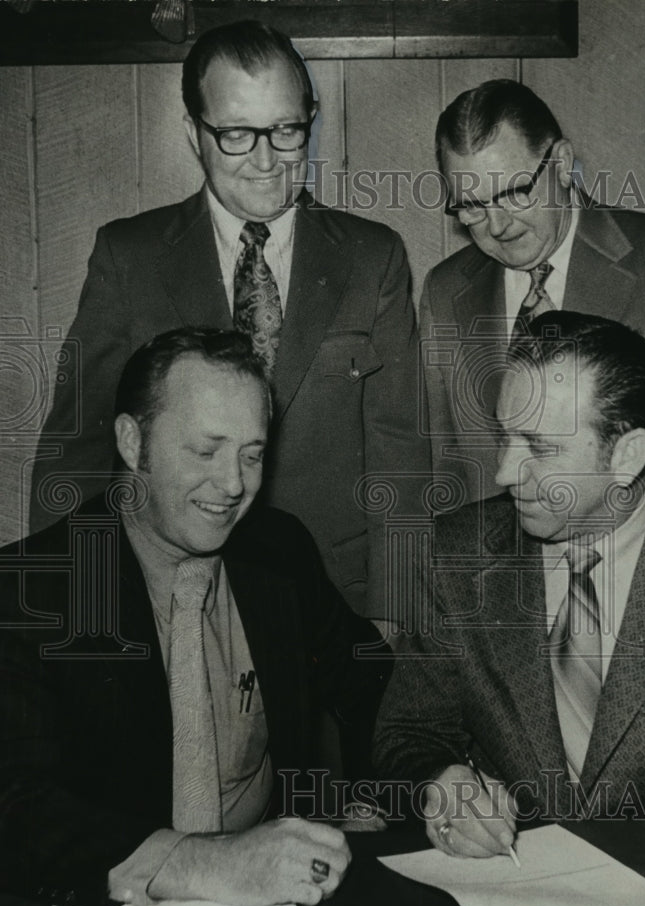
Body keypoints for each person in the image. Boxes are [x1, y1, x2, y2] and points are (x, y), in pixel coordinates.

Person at [374, 312, 645, 906]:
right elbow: (406, 733)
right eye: (507, 438)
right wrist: (439, 783)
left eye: (540, 448)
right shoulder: (457, 552)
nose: (506, 472)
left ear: (627, 455)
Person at [29, 20, 429, 626]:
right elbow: (76, 452)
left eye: (286, 129)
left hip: (335, 606)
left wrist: (396, 615)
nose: (266, 160)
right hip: (171, 609)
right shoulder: (128, 257)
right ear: (194, 132)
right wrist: (68, 609)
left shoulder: (373, 259)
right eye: (237, 133)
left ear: (310, 119)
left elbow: (401, 460)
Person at [0, 329, 391, 906]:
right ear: (133, 443)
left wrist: (389, 793)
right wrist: (205, 863)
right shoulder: (29, 589)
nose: (234, 485)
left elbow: (374, 681)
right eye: (205, 451)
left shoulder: (279, 551)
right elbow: (14, 805)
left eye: (252, 455)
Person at [421, 78, 645, 508]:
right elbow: (445, 469)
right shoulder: (444, 291)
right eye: (472, 206)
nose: (497, 226)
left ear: (562, 163)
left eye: (514, 193)